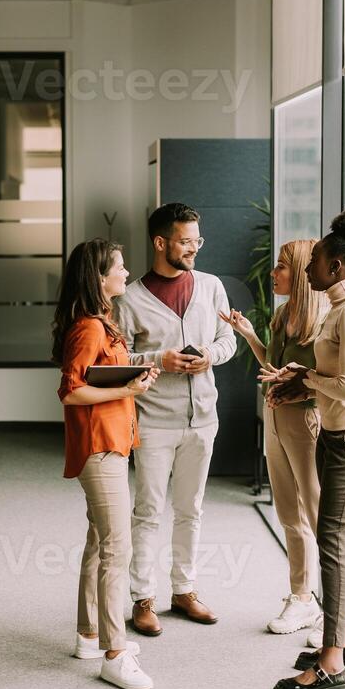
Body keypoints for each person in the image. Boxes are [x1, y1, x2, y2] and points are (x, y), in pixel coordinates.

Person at [262, 208, 345, 689]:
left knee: (334, 542)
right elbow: (337, 377)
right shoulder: (339, 309)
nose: (307, 267)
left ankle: (332, 663)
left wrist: (306, 379)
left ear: (337, 266)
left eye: (314, 259)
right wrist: (304, 375)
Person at [113, 203, 236, 636]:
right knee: (148, 511)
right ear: (161, 242)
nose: (194, 249)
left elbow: (227, 340)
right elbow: (118, 359)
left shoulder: (211, 286)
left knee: (192, 509)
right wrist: (158, 360)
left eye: (197, 240)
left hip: (203, 418)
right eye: (186, 241)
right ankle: (142, 598)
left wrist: (210, 359)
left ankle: (184, 590)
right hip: (153, 422)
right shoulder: (129, 298)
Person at [53, 238, 159, 689]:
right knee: (118, 546)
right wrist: (127, 391)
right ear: (99, 277)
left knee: (100, 541)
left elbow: (99, 376)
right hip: (100, 448)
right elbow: (72, 391)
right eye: (118, 266)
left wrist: (131, 377)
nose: (126, 270)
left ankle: (89, 634)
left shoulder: (101, 323)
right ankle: (115, 653)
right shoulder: (89, 328)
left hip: (110, 442)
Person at [221, 240, 328, 638]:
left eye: (281, 266)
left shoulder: (327, 322)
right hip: (276, 420)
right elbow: (274, 368)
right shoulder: (283, 314)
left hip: (307, 425)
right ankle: (301, 598)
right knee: (289, 515)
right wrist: (249, 334)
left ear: (301, 272)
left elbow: (335, 382)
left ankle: (332, 612)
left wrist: (305, 391)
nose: (273, 272)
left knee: (318, 516)